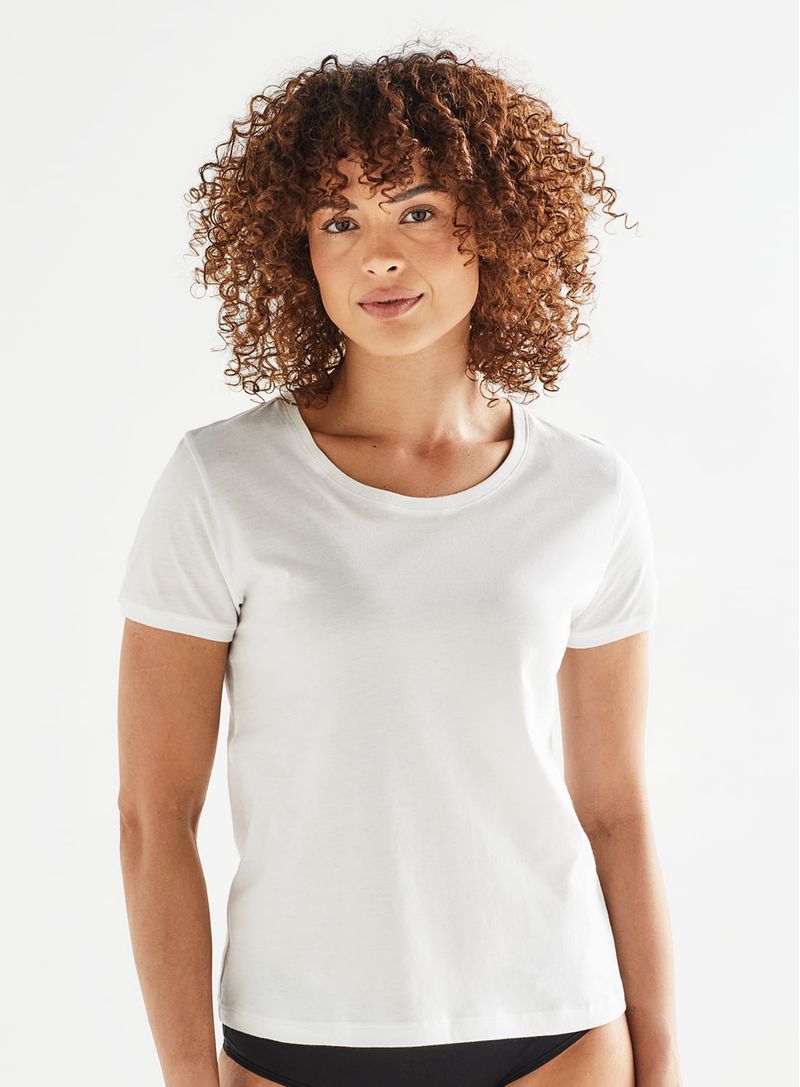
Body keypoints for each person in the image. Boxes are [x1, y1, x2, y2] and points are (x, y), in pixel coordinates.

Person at [116, 47, 683, 1087]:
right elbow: (155, 818)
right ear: (299, 252)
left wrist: (665, 1064)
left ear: (493, 227)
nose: (378, 256)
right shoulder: (221, 481)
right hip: (295, 1037)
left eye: (416, 211)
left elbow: (615, 808)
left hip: (555, 1030)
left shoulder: (587, 491)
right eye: (339, 221)